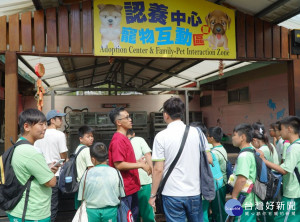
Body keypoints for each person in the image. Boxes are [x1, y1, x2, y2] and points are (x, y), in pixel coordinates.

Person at [149, 98, 205, 222]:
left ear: (165, 115)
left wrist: (153, 195)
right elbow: (208, 159)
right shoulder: (198, 133)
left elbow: (158, 169)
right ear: (182, 113)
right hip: (195, 191)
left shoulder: (161, 136)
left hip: (172, 193)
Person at [6, 109, 58, 222]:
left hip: (20, 210)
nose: (45, 127)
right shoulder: (31, 152)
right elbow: (51, 182)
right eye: (41, 124)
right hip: (31, 213)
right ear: (26, 126)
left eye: (45, 124)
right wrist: (50, 173)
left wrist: (46, 170)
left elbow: (29, 175)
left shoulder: (18, 145)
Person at [108, 107, 151, 221]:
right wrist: (141, 165)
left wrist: (138, 162)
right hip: (125, 189)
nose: (130, 119)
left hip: (131, 187)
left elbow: (125, 161)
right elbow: (119, 164)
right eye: (127, 117)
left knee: (133, 217)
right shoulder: (118, 140)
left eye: (129, 116)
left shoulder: (124, 138)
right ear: (118, 122)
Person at [257, 116, 300, 221]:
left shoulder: (294, 147)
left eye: (281, 129)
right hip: (296, 190)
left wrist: (263, 160)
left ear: (289, 129)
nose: (280, 132)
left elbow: (285, 170)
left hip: (293, 192)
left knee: (281, 219)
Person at [78, 142, 125, 222]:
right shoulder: (116, 172)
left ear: (93, 159)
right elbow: (121, 194)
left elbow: (81, 197)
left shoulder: (86, 174)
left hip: (91, 211)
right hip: (111, 210)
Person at [34, 109, 68, 222]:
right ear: (52, 120)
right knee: (53, 206)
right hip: (55, 173)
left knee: (43, 204)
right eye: (59, 118)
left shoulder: (39, 134)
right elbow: (63, 155)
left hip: (40, 174)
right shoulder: (60, 134)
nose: (62, 121)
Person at [231, 124, 258, 222]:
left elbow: (242, 179)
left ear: (242, 137)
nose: (232, 138)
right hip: (251, 200)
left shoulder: (244, 155)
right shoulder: (252, 151)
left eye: (234, 135)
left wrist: (234, 197)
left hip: (243, 201)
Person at [127, 129, 155, 222]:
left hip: (129, 183)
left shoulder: (121, 142)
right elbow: (147, 154)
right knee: (147, 211)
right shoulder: (139, 139)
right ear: (133, 134)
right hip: (143, 181)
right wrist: (151, 171)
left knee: (133, 213)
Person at [207, 126, 227, 222]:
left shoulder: (214, 153)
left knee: (219, 210)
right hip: (222, 182)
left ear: (211, 138)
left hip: (218, 185)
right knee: (219, 208)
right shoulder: (221, 148)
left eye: (207, 136)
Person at [74, 125, 94, 209]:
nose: (91, 138)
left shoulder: (78, 149)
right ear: (80, 139)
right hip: (85, 185)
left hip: (78, 183)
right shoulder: (86, 150)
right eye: (88, 136)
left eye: (92, 136)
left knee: (80, 210)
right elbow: (91, 169)